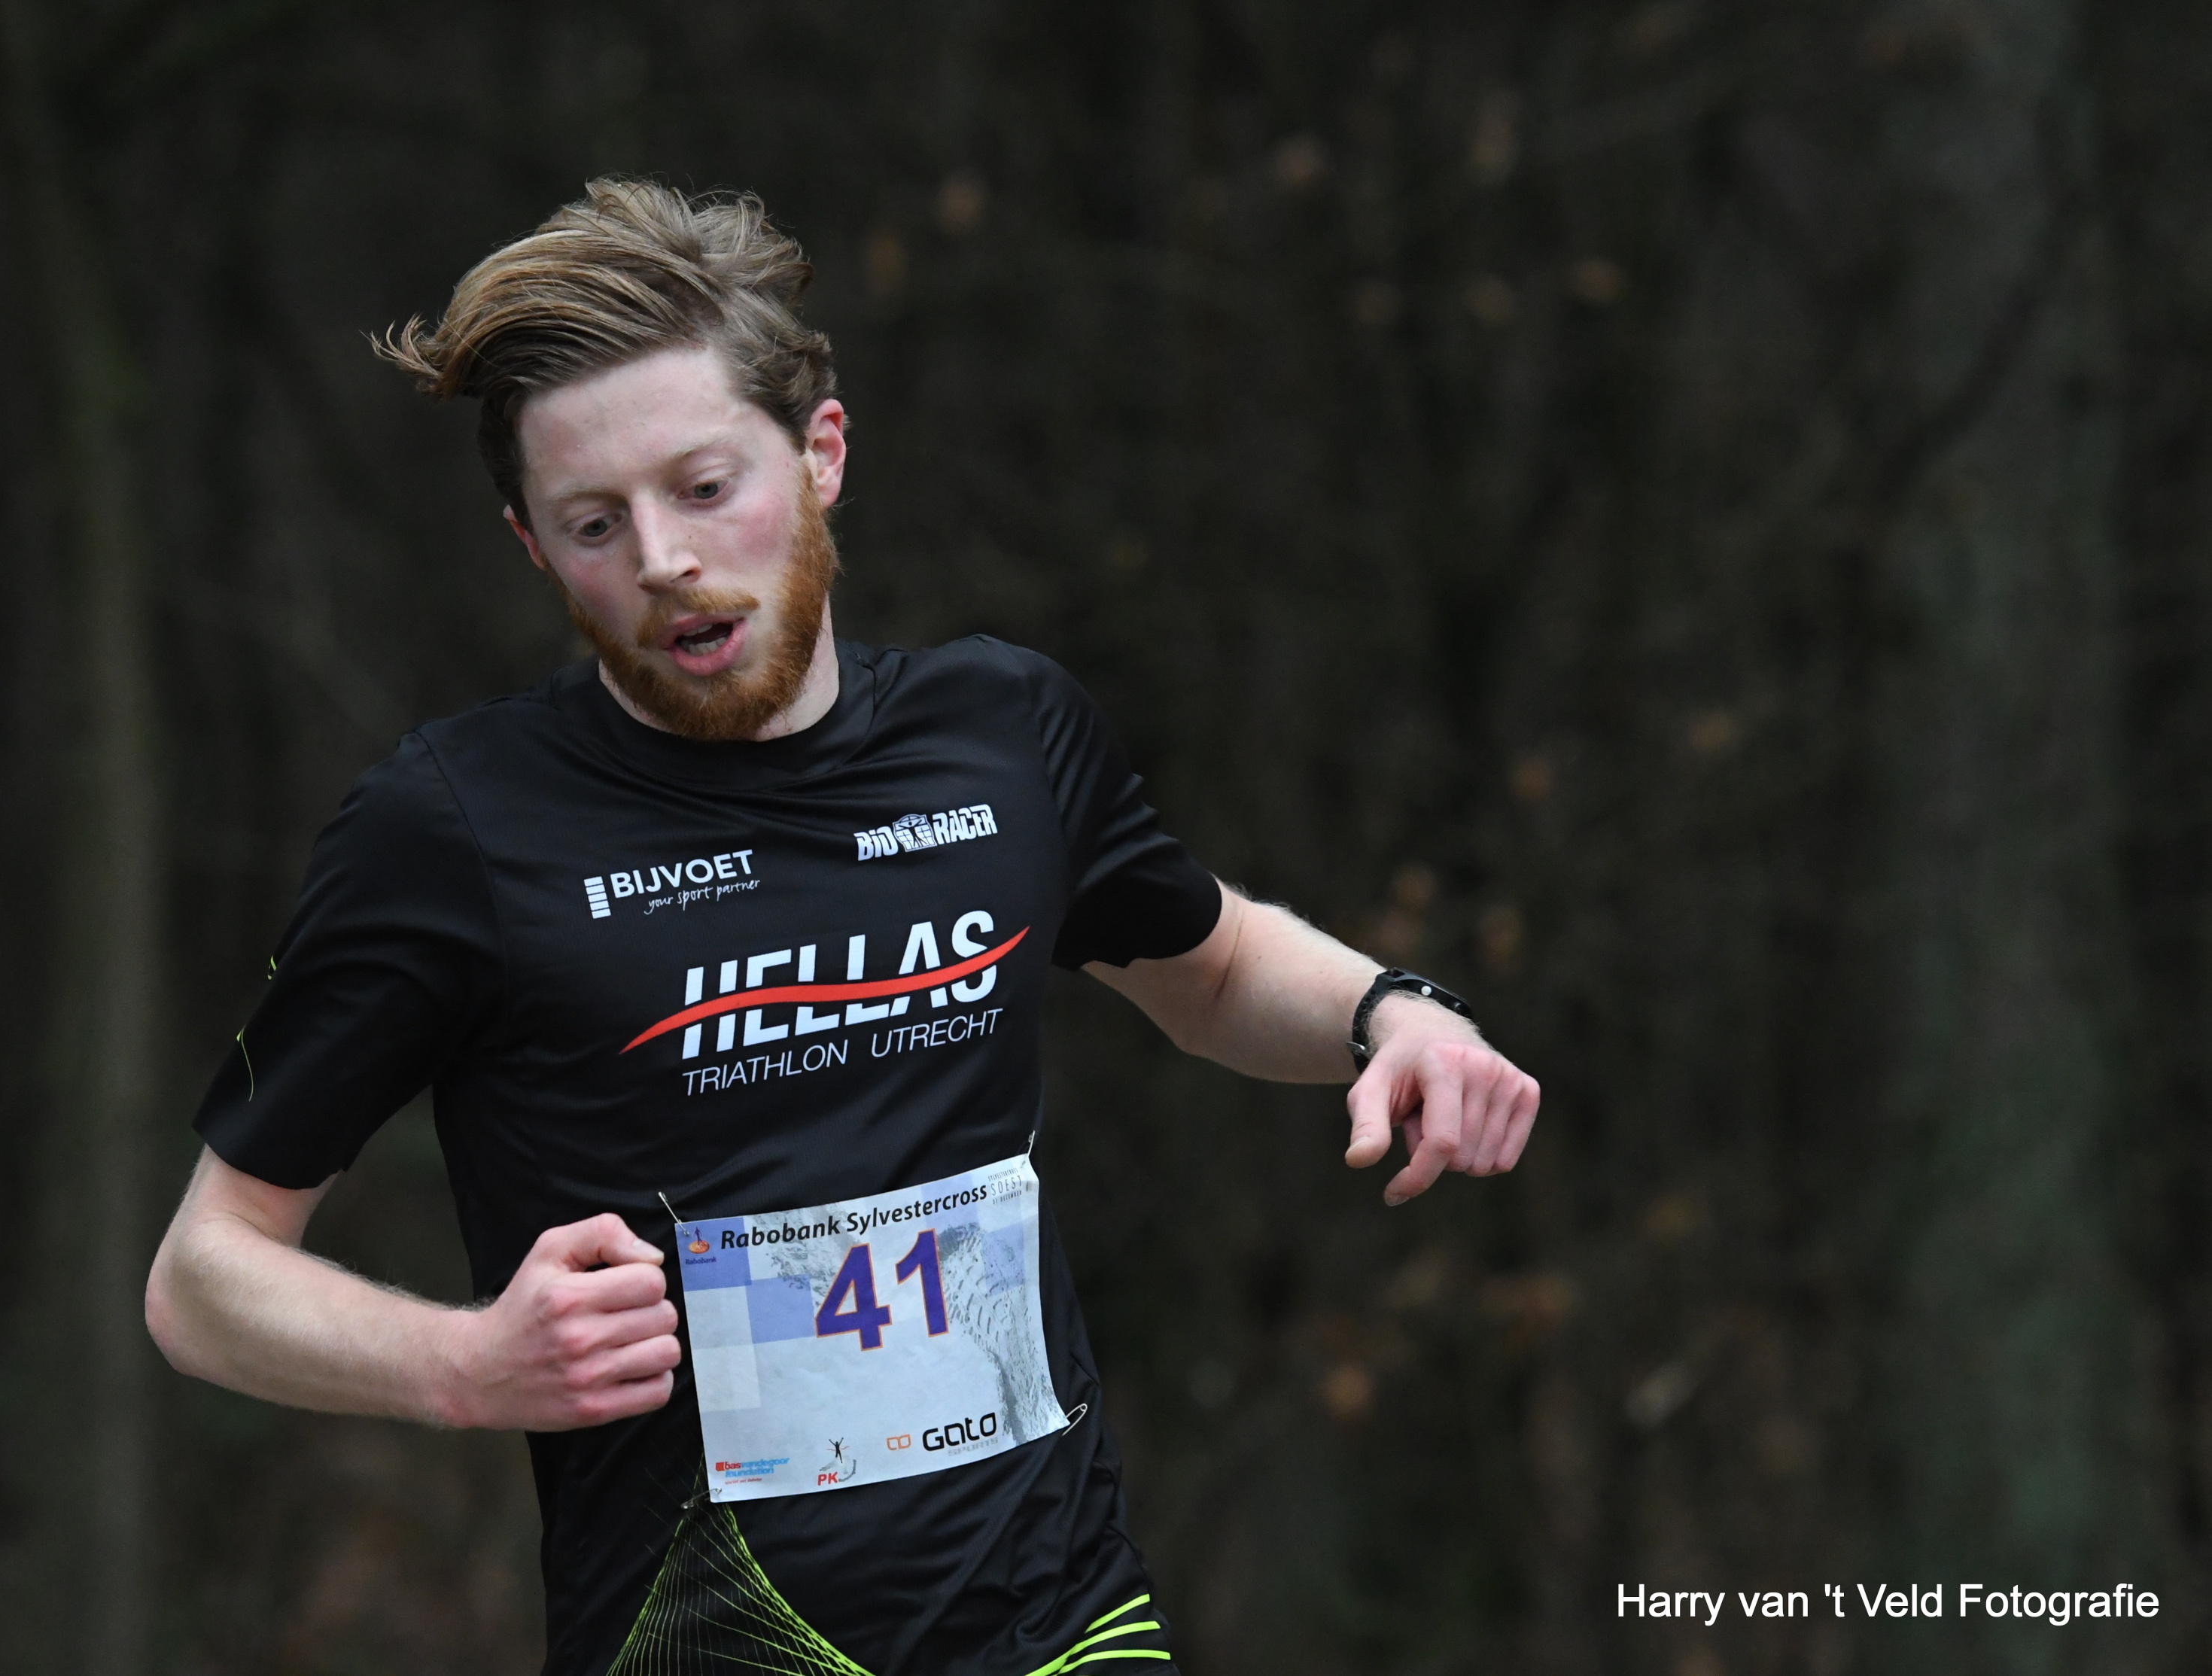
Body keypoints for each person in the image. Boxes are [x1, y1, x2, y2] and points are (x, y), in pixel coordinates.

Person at [145, 178, 1541, 1676]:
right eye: (594, 523)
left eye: (704, 486)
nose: (662, 558)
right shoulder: (453, 828)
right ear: (534, 549)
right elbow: (205, 1276)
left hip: (1064, 1624)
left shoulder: (1002, 732)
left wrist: (1392, 1013)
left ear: (821, 452)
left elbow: (1213, 972)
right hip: (712, 1641)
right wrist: (465, 1363)